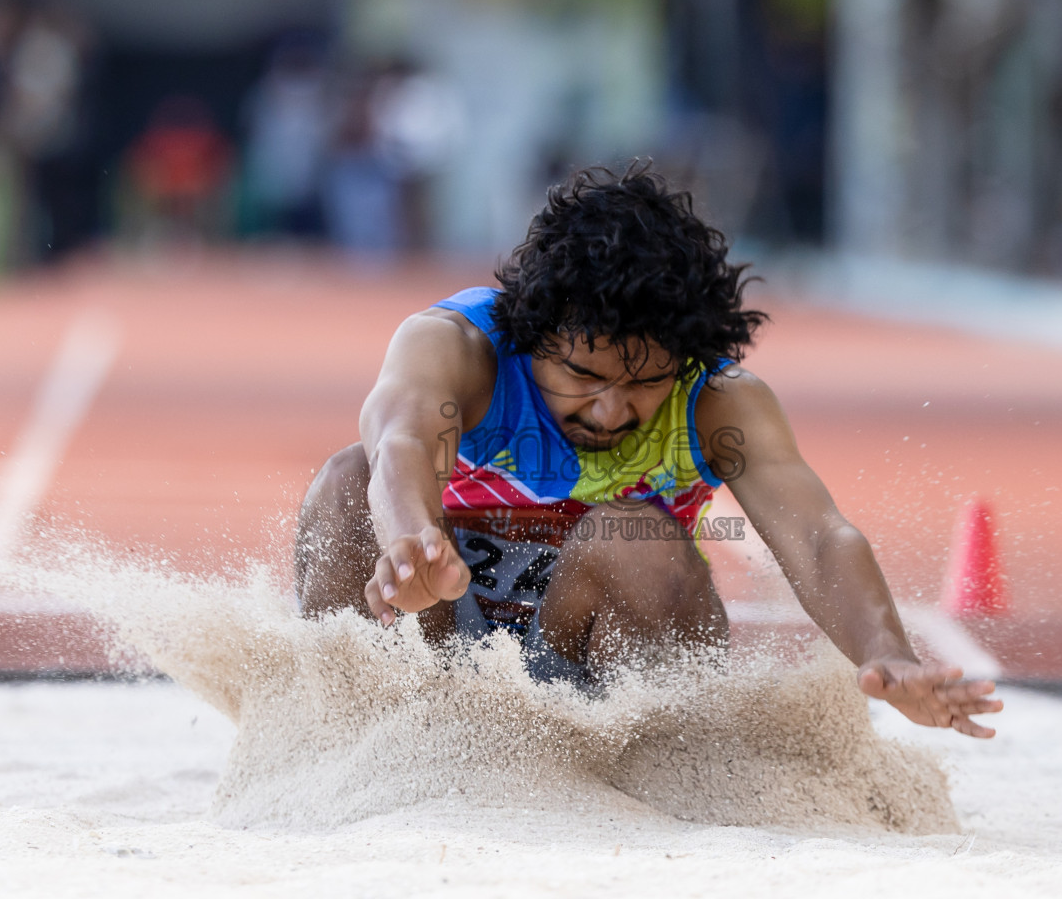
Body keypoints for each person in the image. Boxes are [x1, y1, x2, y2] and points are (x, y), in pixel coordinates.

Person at [296, 162, 1002, 738]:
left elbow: (818, 538)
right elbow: (399, 442)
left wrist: (887, 654)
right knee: (344, 482)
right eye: (583, 375)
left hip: (605, 659)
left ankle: (640, 768)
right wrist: (411, 543)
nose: (610, 411)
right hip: (443, 636)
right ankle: (346, 740)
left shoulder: (722, 401)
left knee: (630, 532)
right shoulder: (456, 347)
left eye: (645, 384)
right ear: (529, 334)